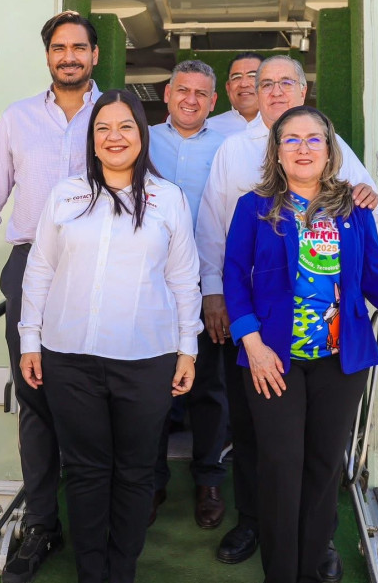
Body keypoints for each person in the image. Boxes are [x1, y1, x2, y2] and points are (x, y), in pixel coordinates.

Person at [224, 106, 378, 583]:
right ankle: (281, 573)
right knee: (281, 465)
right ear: (277, 153)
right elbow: (235, 277)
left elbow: (375, 277)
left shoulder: (353, 208)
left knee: (324, 465)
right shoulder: (254, 206)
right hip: (272, 358)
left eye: (313, 140)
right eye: (292, 140)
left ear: (330, 152)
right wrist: (253, 343)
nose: (303, 148)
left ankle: (312, 561)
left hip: (340, 362)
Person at [197, 54, 378, 576]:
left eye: (286, 82)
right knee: (260, 442)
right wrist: (221, 304)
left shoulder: (332, 148)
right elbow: (216, 232)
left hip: (332, 349)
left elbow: (368, 229)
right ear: (253, 93)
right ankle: (255, 524)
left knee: (316, 458)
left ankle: (313, 543)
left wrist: (367, 193)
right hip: (260, 331)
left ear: (302, 89)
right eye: (266, 83)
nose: (275, 90)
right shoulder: (234, 151)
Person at [0, 10, 100, 583]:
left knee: (91, 397)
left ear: (95, 56)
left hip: (98, 269)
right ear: (49, 56)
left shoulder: (114, 117)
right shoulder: (18, 119)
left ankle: (93, 526)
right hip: (29, 264)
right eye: (59, 48)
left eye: (79, 47)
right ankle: (40, 524)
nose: (69, 56)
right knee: (35, 399)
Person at [18, 89, 202, 583]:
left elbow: (184, 278)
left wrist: (189, 349)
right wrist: (29, 340)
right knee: (85, 471)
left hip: (146, 358)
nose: (113, 137)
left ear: (142, 135)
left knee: (136, 470)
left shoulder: (169, 199)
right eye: (103, 129)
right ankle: (91, 573)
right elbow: (39, 271)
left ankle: (121, 571)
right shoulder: (66, 195)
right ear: (91, 140)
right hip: (69, 357)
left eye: (124, 127)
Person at [148, 59, 230, 529]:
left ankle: (209, 481)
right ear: (168, 92)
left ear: (212, 102)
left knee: (209, 389)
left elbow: (227, 219)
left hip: (206, 284)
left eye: (201, 93)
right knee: (153, 386)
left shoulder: (228, 148)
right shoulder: (142, 141)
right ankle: (152, 480)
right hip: (147, 284)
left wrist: (215, 290)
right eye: (183, 90)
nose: (191, 99)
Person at [205, 52, 264, 136]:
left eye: (252, 76)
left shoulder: (283, 125)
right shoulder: (207, 129)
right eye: (236, 77)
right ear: (228, 87)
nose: (243, 84)